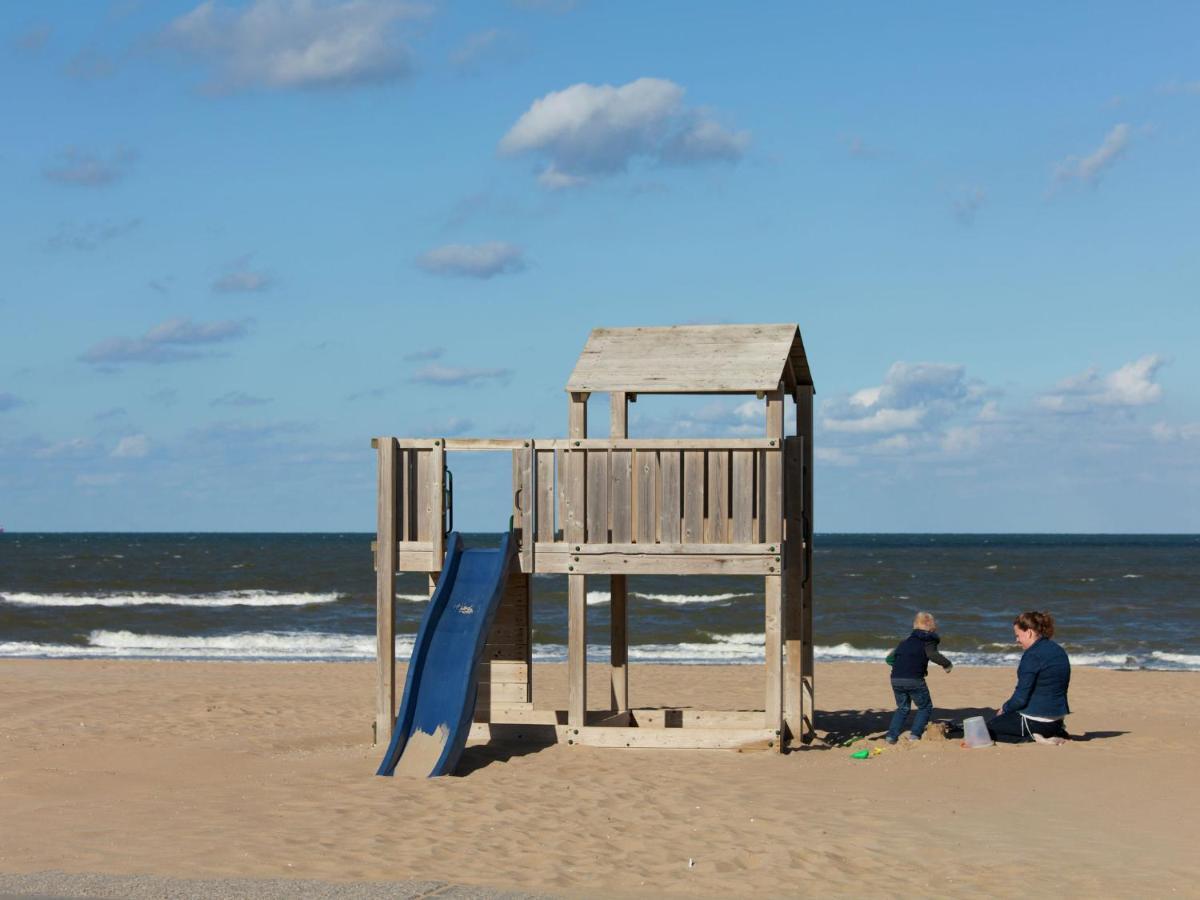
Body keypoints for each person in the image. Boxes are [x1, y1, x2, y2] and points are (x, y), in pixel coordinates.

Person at [987, 610, 1071, 745]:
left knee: (986, 729)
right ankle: (1052, 733)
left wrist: (1004, 709)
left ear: (1029, 632)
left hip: (1035, 722)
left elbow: (1020, 699)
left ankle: (1033, 737)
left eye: (1018, 635)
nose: (1017, 640)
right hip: (1057, 722)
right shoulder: (1058, 650)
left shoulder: (1032, 655)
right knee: (1001, 722)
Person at [884, 611, 953, 744]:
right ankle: (915, 735)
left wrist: (902, 665)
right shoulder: (929, 639)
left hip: (896, 678)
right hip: (914, 679)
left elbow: (889, 659)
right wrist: (947, 664)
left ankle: (891, 737)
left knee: (902, 708)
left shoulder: (905, 641)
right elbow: (932, 654)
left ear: (915, 626)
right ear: (932, 628)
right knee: (925, 707)